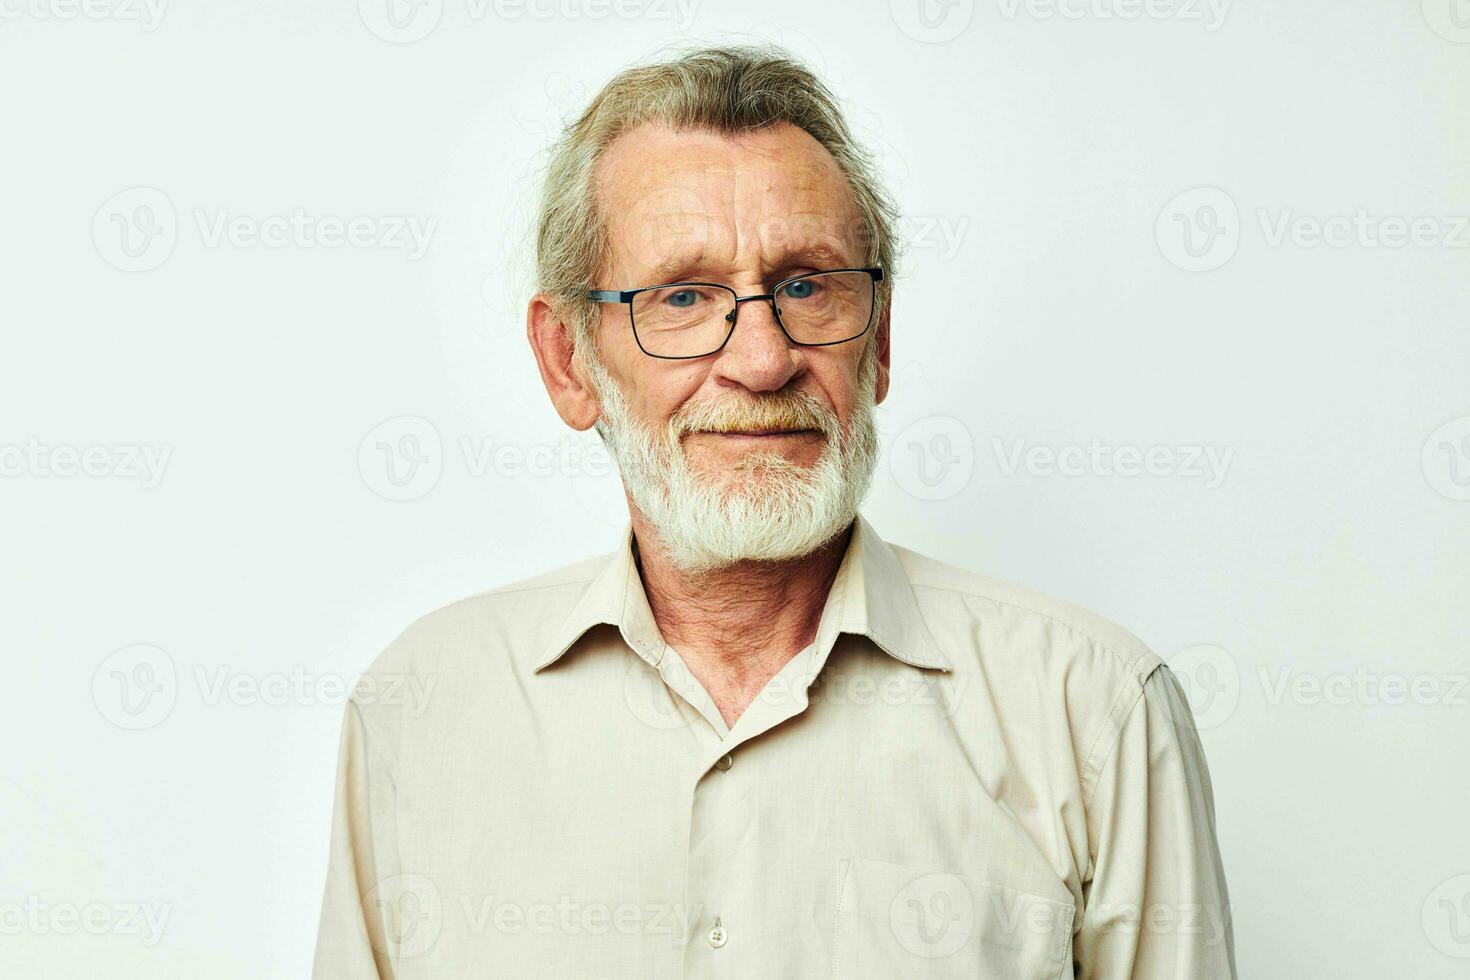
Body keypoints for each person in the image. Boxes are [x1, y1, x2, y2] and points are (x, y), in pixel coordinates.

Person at [312, 43, 1236, 979]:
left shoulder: (1096, 715)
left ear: (878, 344)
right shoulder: (422, 713)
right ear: (568, 363)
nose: (761, 360)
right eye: (682, 296)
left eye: (805, 284)